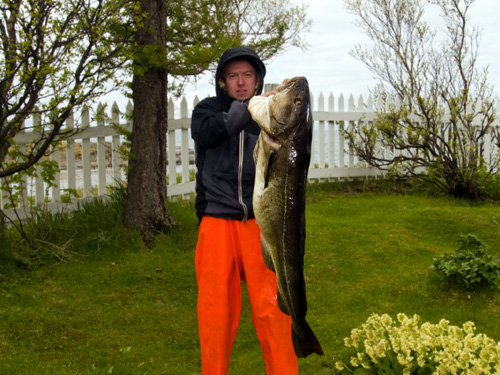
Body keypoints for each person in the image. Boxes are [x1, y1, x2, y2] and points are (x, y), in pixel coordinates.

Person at [191, 46, 299, 374]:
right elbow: (207, 133)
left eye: (247, 75)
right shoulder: (207, 110)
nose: (241, 82)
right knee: (215, 314)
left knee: (273, 311)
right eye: (233, 76)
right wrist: (247, 111)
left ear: (257, 78)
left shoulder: (269, 116)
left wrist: (272, 110)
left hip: (260, 221)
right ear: (222, 82)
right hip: (217, 221)